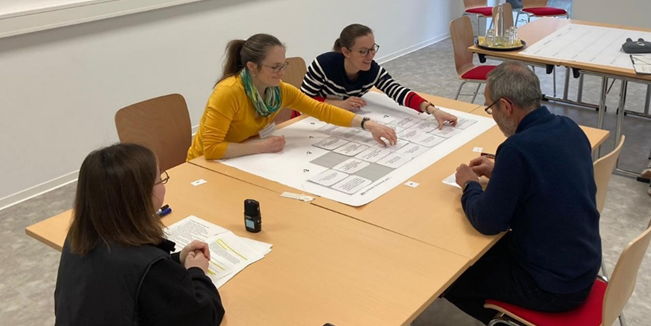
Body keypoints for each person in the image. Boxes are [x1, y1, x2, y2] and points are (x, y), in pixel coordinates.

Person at [447, 61, 601, 325]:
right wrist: (500, 173)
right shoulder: (569, 127)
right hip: (582, 265)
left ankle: (506, 320)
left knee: (447, 277)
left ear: (506, 106)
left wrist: (469, 184)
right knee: (479, 257)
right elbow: (548, 178)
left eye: (490, 108)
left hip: (552, 287)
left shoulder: (517, 148)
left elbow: (488, 222)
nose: (493, 116)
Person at [54, 143, 225, 326]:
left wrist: (175, 260)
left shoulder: (79, 236)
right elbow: (203, 317)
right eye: (159, 179)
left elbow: (123, 278)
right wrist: (196, 271)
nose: (163, 184)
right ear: (141, 196)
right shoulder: (151, 270)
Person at [187, 33, 397, 161]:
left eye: (283, 65)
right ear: (252, 67)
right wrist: (260, 147)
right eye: (275, 67)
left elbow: (321, 109)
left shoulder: (278, 90)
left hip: (242, 157)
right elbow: (211, 149)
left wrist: (368, 125)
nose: (282, 72)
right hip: (204, 162)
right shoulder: (228, 92)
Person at [297, 23, 458, 129]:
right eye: (363, 51)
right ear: (346, 52)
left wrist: (433, 110)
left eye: (372, 49)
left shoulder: (371, 70)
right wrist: (339, 104)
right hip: (306, 120)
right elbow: (300, 102)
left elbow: (397, 91)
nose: (370, 56)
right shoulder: (324, 65)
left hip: (337, 122)